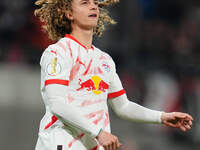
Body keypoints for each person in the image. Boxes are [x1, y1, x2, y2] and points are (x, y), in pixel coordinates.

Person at [34, 0, 193, 150]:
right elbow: (57, 104)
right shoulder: (58, 52)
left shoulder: (105, 60)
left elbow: (123, 106)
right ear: (68, 13)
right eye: (85, 2)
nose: (93, 6)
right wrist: (99, 133)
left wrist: (162, 117)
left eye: (95, 3)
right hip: (60, 143)